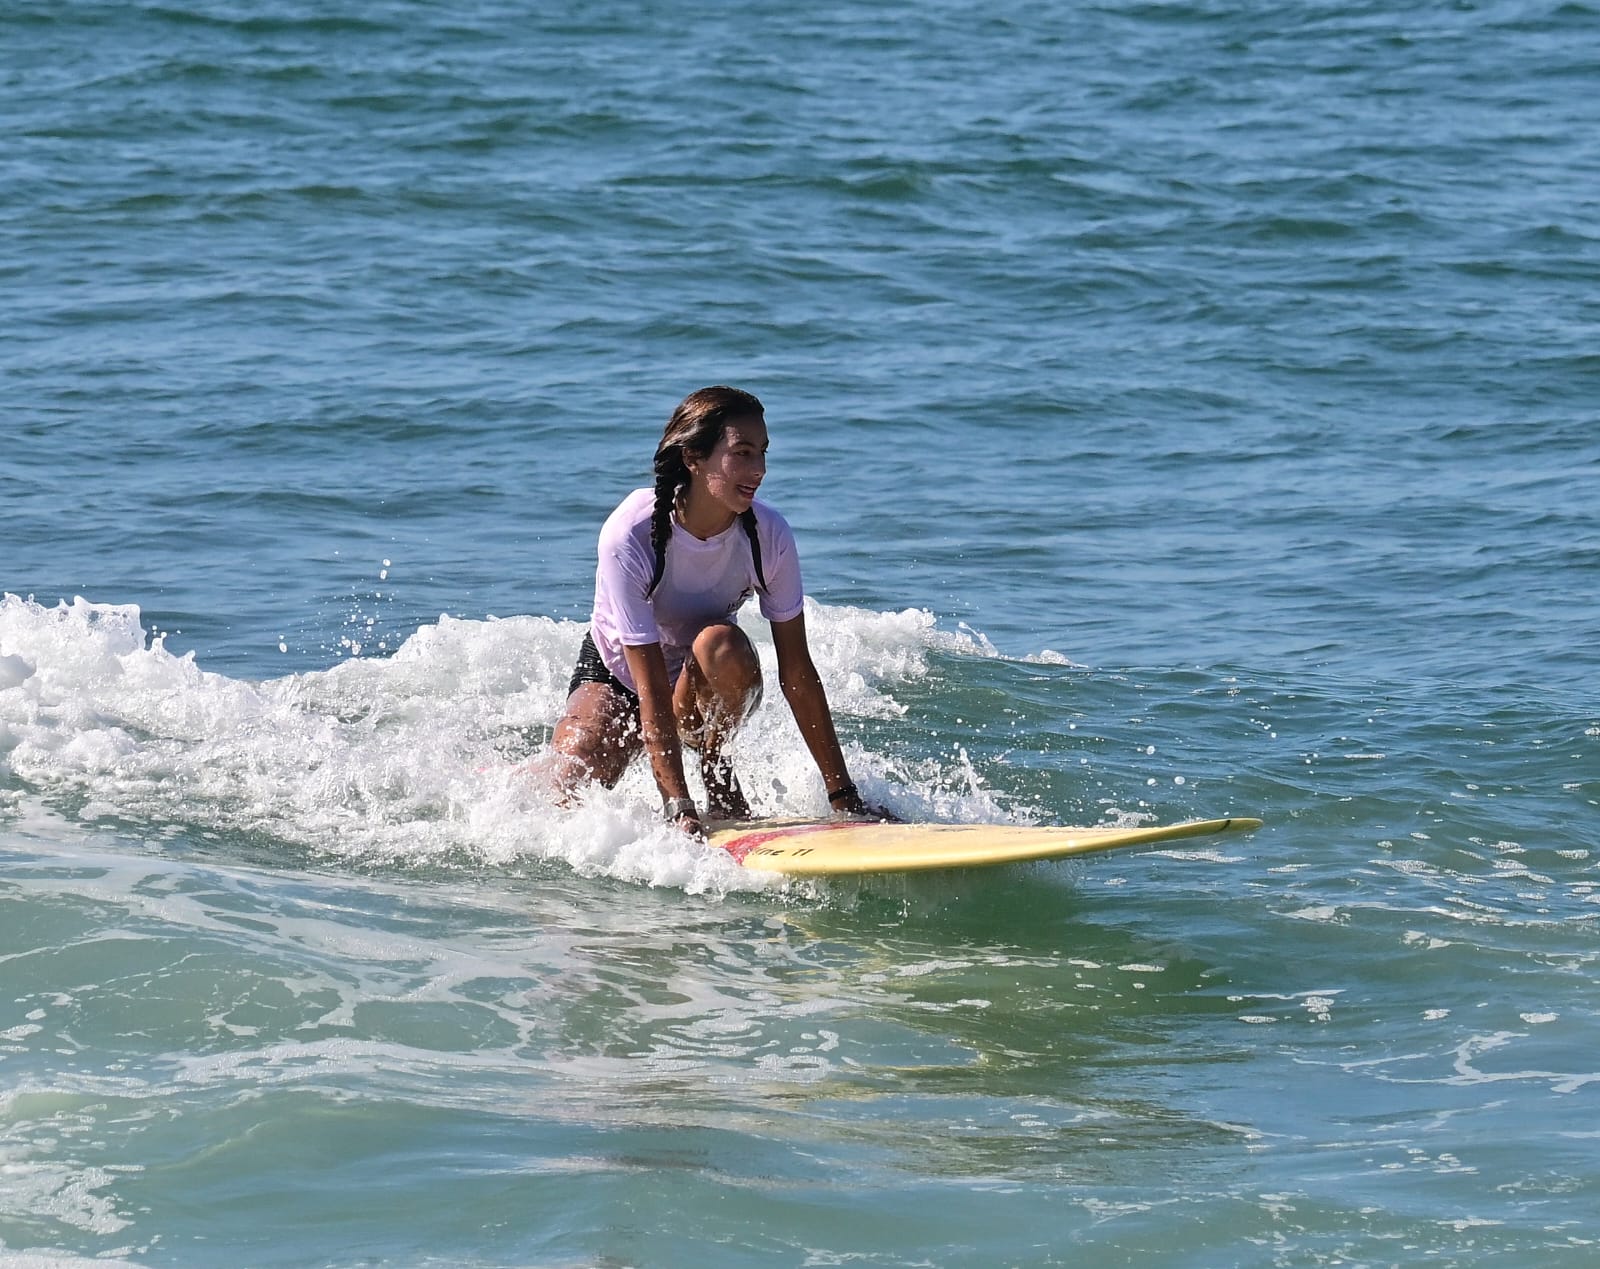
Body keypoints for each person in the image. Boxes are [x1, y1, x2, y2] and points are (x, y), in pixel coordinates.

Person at [548, 385, 886, 838]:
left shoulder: (769, 535)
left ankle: (715, 762)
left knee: (721, 643)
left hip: (702, 687)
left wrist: (843, 795)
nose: (759, 470)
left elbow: (798, 673)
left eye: (763, 453)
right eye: (742, 453)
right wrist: (678, 807)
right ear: (693, 457)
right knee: (569, 788)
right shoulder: (631, 533)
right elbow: (649, 691)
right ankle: (511, 776)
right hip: (621, 673)